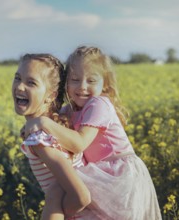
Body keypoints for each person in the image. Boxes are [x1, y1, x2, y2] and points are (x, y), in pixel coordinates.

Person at [24, 46, 162, 219]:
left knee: (57, 192)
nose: (82, 87)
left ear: (104, 83)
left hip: (118, 176)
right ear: (66, 83)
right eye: (74, 79)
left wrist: (43, 122)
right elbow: (56, 125)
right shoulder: (71, 110)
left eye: (91, 81)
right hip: (100, 174)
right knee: (59, 193)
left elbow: (79, 143)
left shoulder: (99, 104)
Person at [12, 53, 92, 220]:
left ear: (51, 95)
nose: (19, 87)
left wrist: (57, 210)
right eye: (17, 78)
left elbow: (81, 197)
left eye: (31, 83)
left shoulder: (40, 139)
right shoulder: (60, 126)